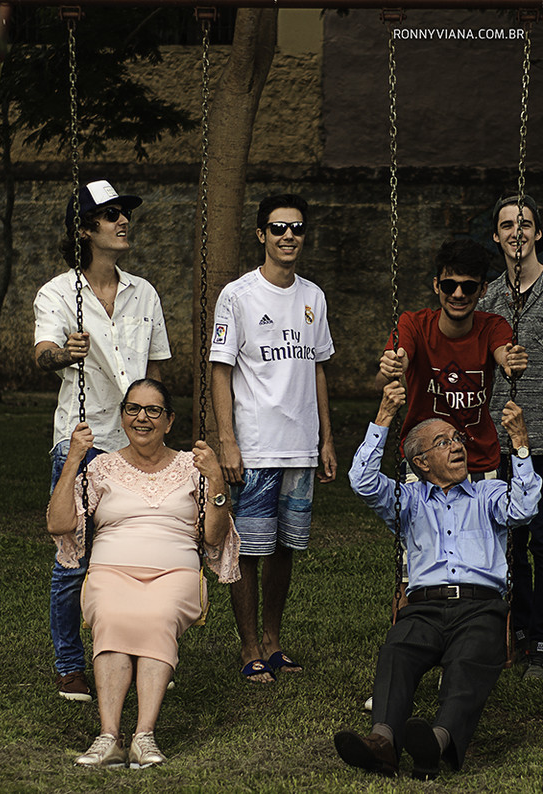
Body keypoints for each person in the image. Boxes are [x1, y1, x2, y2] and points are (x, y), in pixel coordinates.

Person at [337, 381, 542, 780]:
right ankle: (382, 743)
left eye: (457, 438)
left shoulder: (489, 494)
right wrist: (382, 418)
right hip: (424, 608)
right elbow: (361, 481)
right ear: (422, 462)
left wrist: (519, 444)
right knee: (397, 649)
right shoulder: (407, 501)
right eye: (443, 441)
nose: (456, 445)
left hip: (480, 607)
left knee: (469, 659)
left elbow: (525, 507)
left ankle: (439, 741)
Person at [47, 379, 239, 768]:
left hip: (174, 573)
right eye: (133, 409)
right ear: (122, 417)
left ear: (169, 421)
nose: (142, 418)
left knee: (157, 616)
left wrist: (216, 480)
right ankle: (109, 737)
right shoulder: (101, 466)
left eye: (153, 411)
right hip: (111, 572)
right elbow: (58, 523)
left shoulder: (193, 465)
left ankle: (144, 737)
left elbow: (214, 535)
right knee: (113, 617)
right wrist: (73, 460)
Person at [34, 179, 171, 701]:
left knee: (138, 552)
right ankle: (70, 663)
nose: (123, 221)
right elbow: (43, 352)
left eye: (123, 214)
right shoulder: (57, 291)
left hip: (138, 441)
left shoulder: (145, 292)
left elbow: (155, 368)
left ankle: (140, 652)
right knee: (75, 557)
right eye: (111, 215)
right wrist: (64, 353)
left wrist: (160, 424)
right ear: (86, 229)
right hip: (85, 442)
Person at [210, 194, 336, 683]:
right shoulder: (238, 296)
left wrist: (325, 438)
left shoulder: (314, 297)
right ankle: (247, 649)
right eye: (278, 228)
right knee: (246, 549)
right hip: (256, 445)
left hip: (300, 446)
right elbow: (221, 371)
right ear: (261, 234)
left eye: (297, 228)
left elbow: (319, 370)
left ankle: (273, 642)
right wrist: (228, 441)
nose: (288, 236)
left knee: (285, 547)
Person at [476, 194, 543, 677]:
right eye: (507, 224)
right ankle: (518, 622)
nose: (517, 231)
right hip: (497, 439)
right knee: (507, 540)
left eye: (526, 224)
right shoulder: (488, 297)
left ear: (538, 233)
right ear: (496, 236)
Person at [375, 238, 528, 479]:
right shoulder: (414, 324)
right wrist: (391, 368)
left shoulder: (492, 326)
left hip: (479, 459)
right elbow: (391, 369)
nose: (458, 294)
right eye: (449, 285)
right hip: (424, 459)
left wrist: (511, 362)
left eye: (468, 287)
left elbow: (504, 354)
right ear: (436, 285)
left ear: (483, 289)